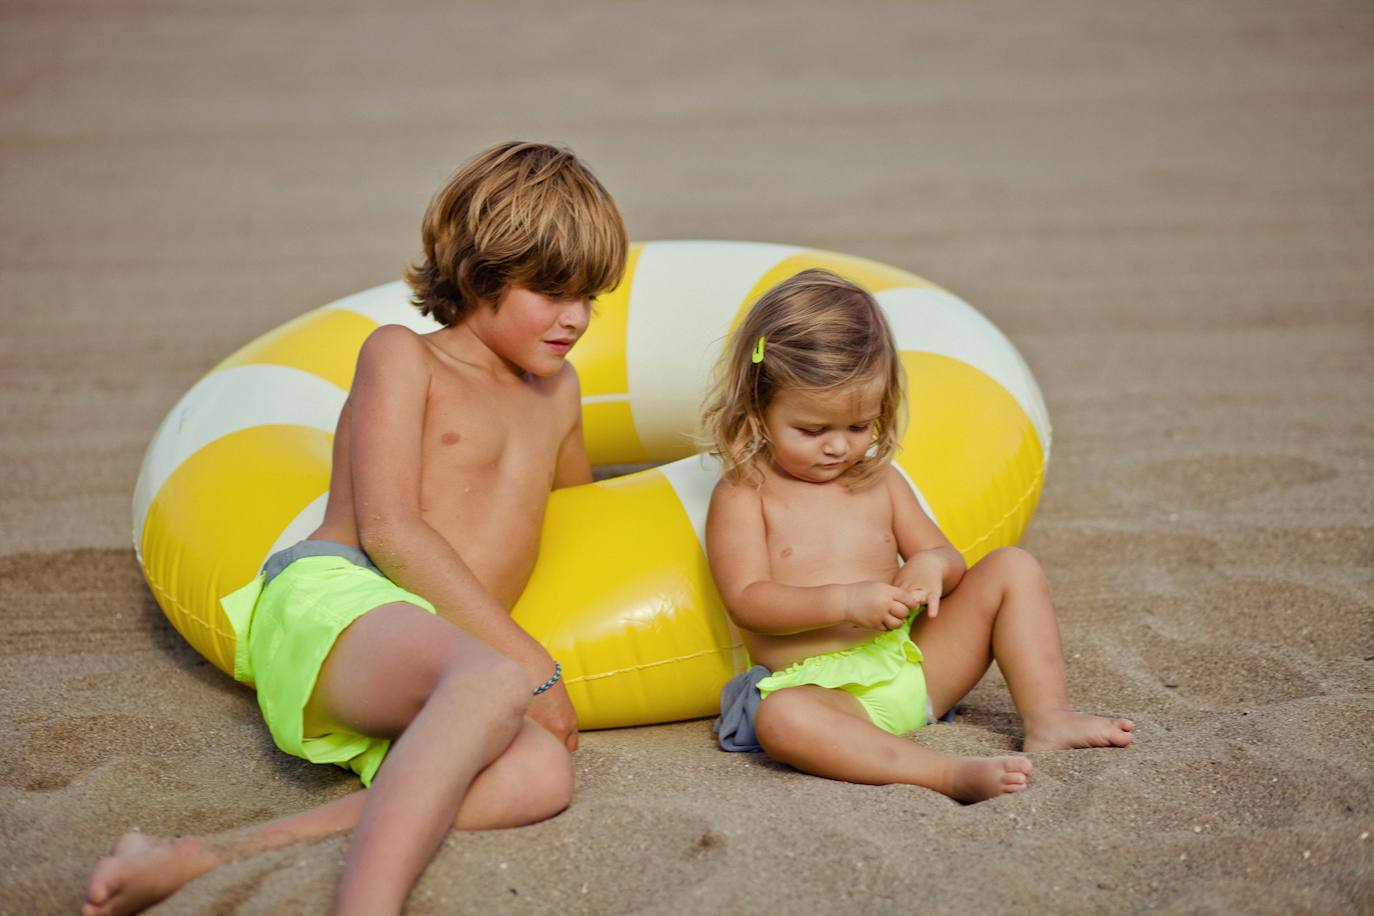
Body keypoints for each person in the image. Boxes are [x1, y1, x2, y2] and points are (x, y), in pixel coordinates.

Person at [84, 141, 628, 915]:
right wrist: (533, 665)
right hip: (344, 598)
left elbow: (583, 518)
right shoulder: (403, 357)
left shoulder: (561, 390)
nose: (575, 318)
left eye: (589, 297)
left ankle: (204, 857)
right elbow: (388, 528)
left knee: (541, 774)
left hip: (442, 656)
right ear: (480, 273)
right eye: (552, 291)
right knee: (496, 681)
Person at [702, 269, 1132, 804]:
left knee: (1011, 566)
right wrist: (845, 602)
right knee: (783, 719)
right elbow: (748, 600)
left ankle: (1049, 718)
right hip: (825, 696)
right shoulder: (744, 494)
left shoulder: (879, 480)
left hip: (915, 665)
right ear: (757, 407)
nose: (838, 447)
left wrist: (930, 567)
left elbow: (945, 556)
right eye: (812, 431)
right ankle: (944, 774)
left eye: (859, 427)